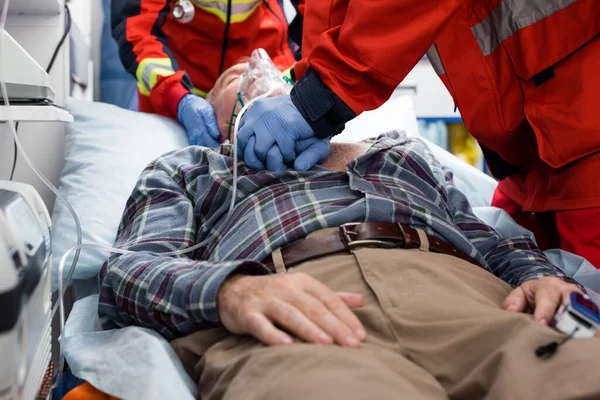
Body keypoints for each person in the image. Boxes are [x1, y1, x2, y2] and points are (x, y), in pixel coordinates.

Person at [98, 122, 600, 398]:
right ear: (215, 112)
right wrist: (234, 290)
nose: (259, 72)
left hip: (474, 301)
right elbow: (126, 274)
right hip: (295, 315)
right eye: (236, 76)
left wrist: (542, 276)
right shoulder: (190, 167)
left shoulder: (403, 154)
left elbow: (492, 241)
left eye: (284, 72)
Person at [236, 0, 600, 269]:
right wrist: (310, 91)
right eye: (233, 84)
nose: (254, 77)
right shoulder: (202, 168)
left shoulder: (398, 155)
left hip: (584, 127)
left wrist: (316, 101)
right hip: (530, 160)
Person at [111, 0, 295, 147]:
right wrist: (177, 95)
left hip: (278, 60)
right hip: (177, 93)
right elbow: (136, 29)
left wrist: (302, 81)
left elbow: (319, 23)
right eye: (238, 78)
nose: (255, 67)